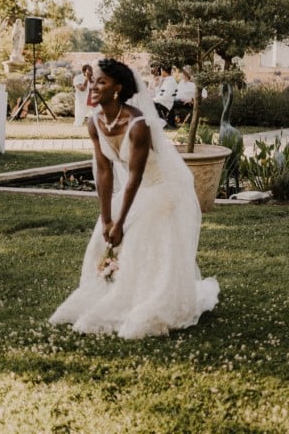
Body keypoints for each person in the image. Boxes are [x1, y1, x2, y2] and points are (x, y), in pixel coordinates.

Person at [50, 58, 218, 339]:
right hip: (135, 190)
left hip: (161, 188)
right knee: (102, 240)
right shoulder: (95, 122)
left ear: (117, 89)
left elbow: (135, 177)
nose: (93, 86)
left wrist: (120, 223)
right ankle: (111, 290)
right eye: (93, 80)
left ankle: (148, 299)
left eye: (100, 81)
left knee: (137, 235)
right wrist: (106, 219)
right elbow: (104, 171)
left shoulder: (138, 124)